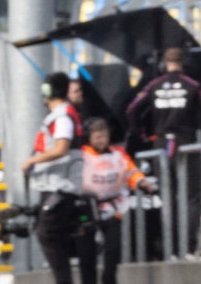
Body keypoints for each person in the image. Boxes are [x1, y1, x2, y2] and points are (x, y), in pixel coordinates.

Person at [124, 47, 201, 257]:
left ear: (163, 64)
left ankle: (170, 247)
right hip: (187, 145)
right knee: (192, 196)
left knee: (167, 196)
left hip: (161, 146)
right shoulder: (193, 85)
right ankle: (188, 246)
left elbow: (132, 109)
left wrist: (142, 135)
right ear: (185, 64)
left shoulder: (154, 85)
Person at [25, 71, 91, 284]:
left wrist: (32, 161)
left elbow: (61, 148)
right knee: (54, 234)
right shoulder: (64, 113)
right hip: (57, 184)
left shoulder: (62, 116)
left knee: (47, 233)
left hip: (61, 185)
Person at [79, 118, 155, 284]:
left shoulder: (118, 153)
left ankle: (109, 280)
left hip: (114, 208)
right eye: (98, 137)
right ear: (89, 138)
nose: (102, 141)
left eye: (104, 137)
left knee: (113, 250)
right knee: (86, 253)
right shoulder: (82, 154)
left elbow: (130, 171)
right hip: (87, 209)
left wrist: (142, 182)